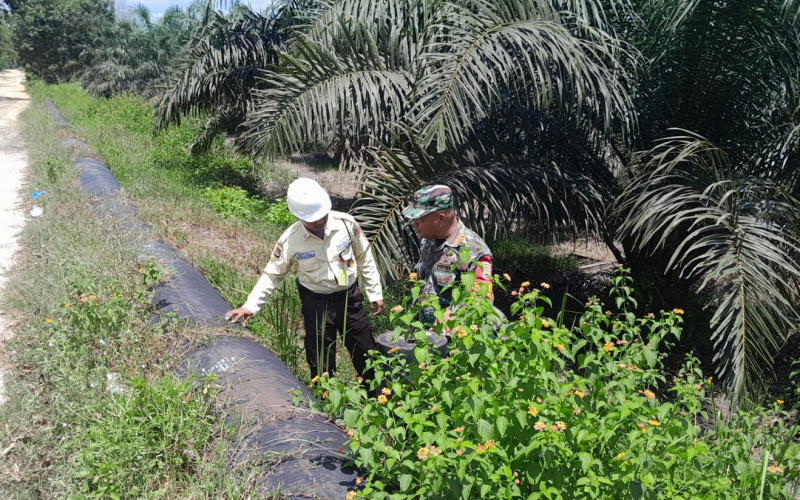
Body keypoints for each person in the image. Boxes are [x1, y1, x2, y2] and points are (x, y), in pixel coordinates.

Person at [226, 178, 384, 380]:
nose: (320, 220)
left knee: (367, 355)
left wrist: (374, 291)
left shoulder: (346, 224)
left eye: (322, 214)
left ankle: (376, 395)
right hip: (317, 304)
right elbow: (272, 275)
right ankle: (324, 398)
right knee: (321, 362)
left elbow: (364, 256)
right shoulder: (290, 240)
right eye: (314, 218)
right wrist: (251, 306)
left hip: (349, 300)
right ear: (299, 216)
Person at [402, 184, 493, 324]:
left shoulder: (473, 250)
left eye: (420, 219)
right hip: (425, 328)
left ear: (441, 218)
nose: (415, 223)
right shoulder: (428, 241)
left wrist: (454, 314)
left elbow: (482, 297)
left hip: (454, 331)